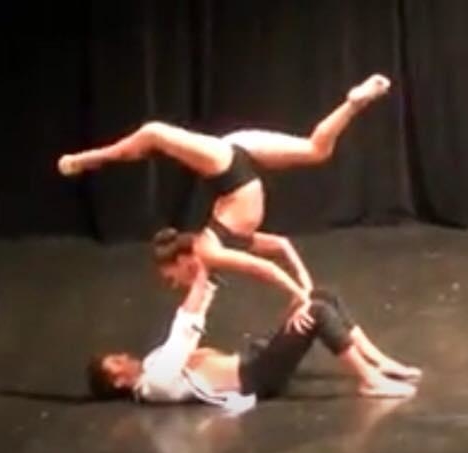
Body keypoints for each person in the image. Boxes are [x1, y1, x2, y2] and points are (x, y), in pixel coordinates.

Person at [59, 74, 391, 308]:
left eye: (173, 279)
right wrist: (305, 283)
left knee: (154, 133)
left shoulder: (210, 251)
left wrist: (300, 297)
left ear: (183, 259)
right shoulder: (228, 240)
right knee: (317, 150)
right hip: (240, 158)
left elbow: (266, 269)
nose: (177, 285)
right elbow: (281, 246)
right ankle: (353, 103)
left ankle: (87, 159)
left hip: (228, 165)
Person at [86, 228, 420, 409]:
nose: (123, 355)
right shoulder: (153, 385)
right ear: (117, 382)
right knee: (316, 312)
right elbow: (184, 330)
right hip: (257, 376)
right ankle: (368, 381)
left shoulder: (151, 363)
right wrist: (200, 273)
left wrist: (207, 273)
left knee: (323, 296)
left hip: (253, 356)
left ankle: (379, 362)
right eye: (115, 362)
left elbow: (195, 318)